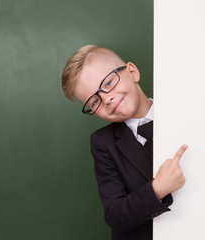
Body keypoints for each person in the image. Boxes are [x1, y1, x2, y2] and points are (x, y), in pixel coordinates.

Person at [61, 45, 188, 240]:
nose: (107, 99)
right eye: (94, 101)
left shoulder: (183, 113)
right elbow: (115, 215)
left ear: (133, 72)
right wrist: (157, 189)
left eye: (109, 82)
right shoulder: (103, 144)